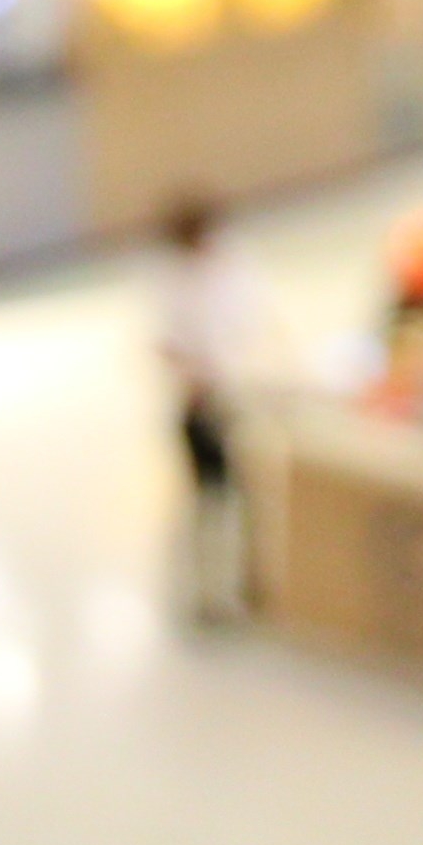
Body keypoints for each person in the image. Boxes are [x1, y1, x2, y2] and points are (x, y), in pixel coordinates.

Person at [158, 194, 262, 623]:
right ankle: (208, 594)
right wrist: (196, 378)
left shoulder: (232, 265)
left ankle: (239, 585)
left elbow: (252, 321)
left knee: (241, 500)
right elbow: (163, 342)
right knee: (209, 501)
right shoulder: (170, 281)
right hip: (202, 404)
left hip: (238, 394)